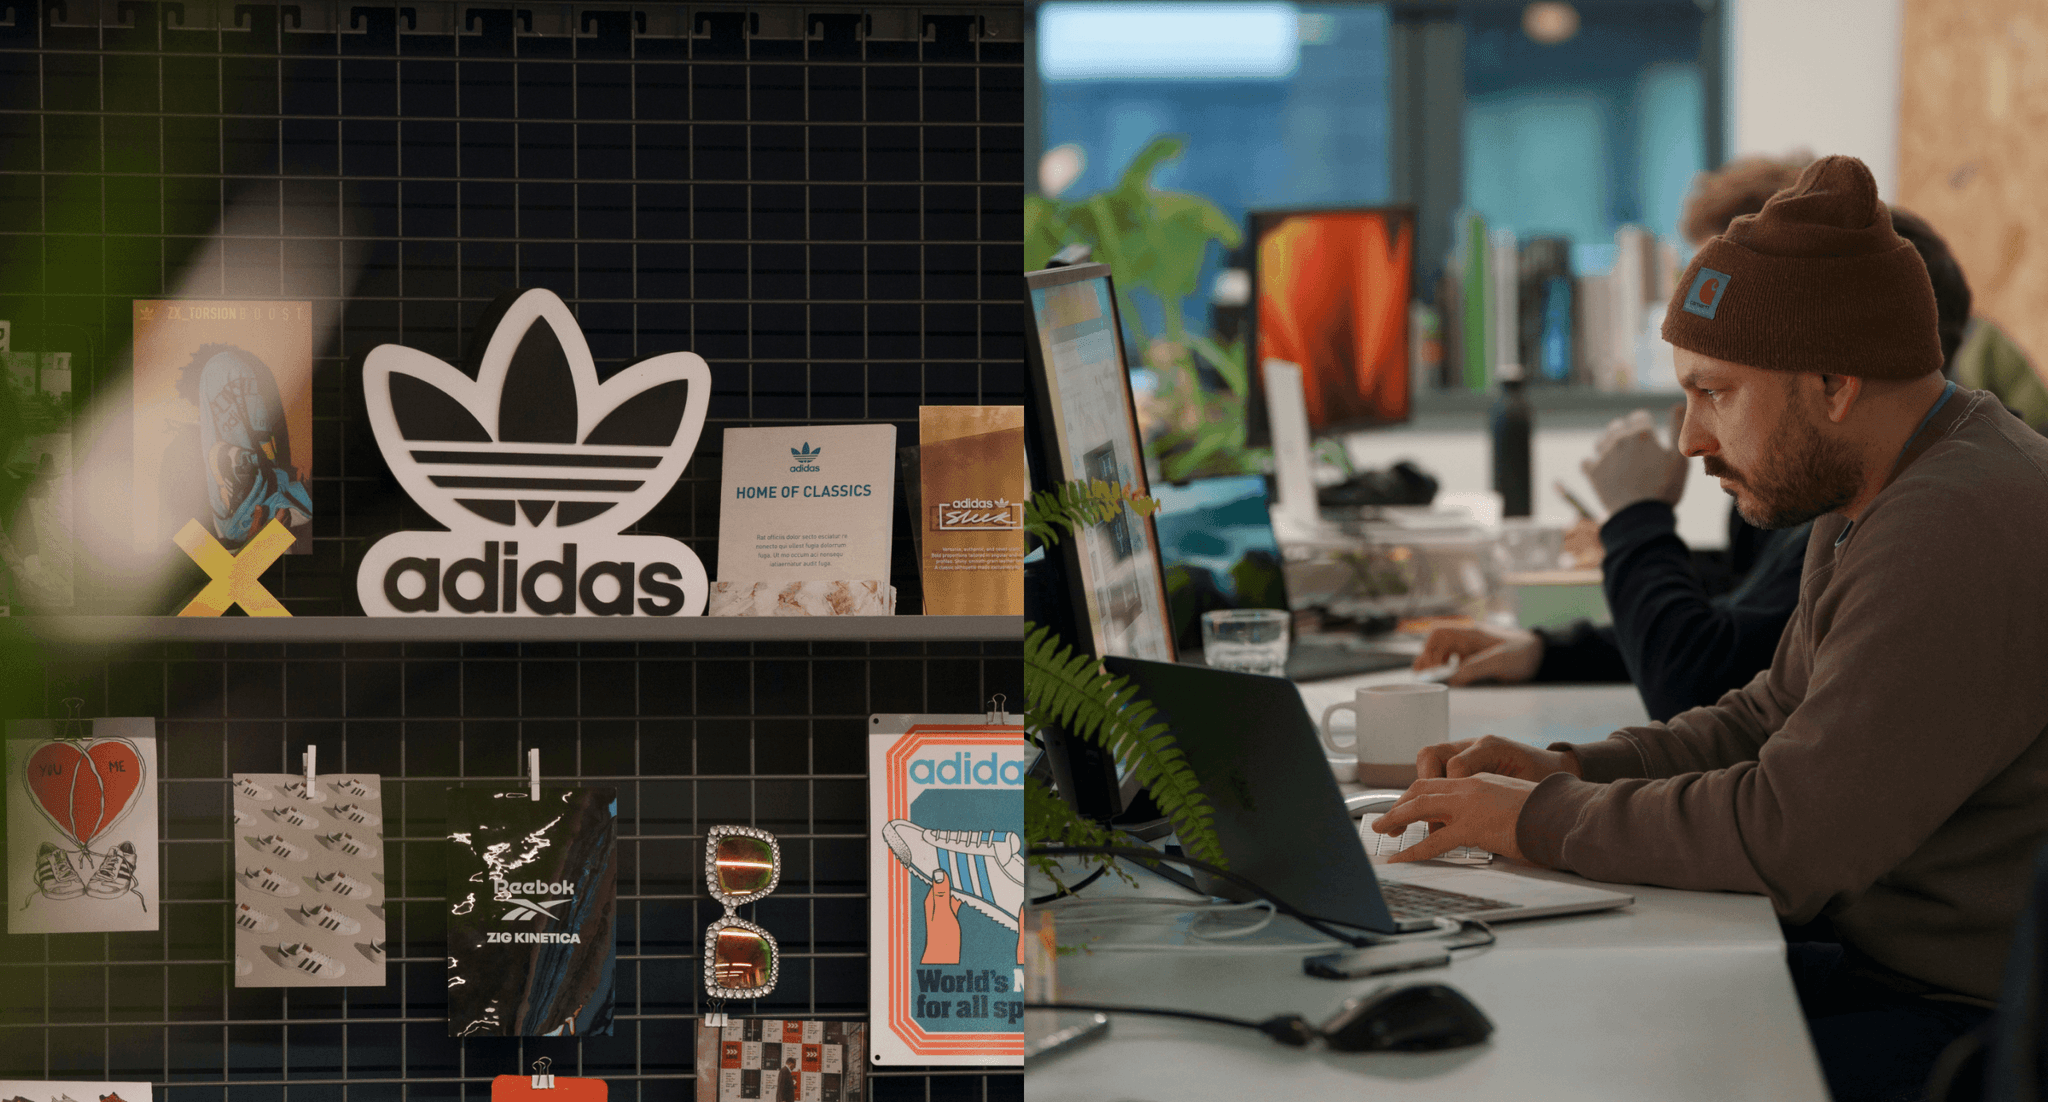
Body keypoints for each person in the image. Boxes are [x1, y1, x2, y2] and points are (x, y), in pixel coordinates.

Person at [1373, 155, 2048, 1102]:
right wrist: (1568, 769)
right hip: (1887, 972)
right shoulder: (1883, 487)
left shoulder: (1955, 523)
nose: (1689, 440)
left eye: (1715, 392)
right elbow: (1767, 714)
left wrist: (1533, 820)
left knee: (1596, 1066)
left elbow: (1787, 839)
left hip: (1968, 1028)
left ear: (1835, 383)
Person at [1412, 156, 2005, 725]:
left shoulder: (1902, 520)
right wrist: (1550, 651)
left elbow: (1703, 682)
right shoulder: (1854, 499)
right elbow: (1739, 616)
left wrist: (1637, 519)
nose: (1693, 439)